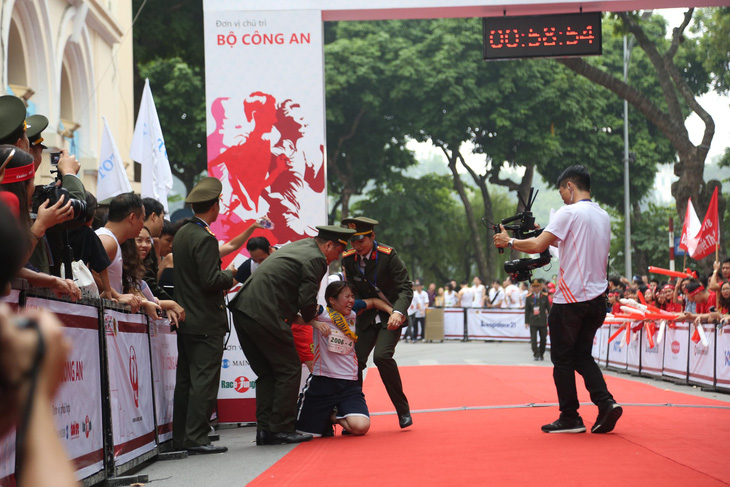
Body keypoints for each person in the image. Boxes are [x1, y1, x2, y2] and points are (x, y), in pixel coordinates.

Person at [494, 164, 622, 434]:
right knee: (582, 356)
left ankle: (570, 417)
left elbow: (538, 245)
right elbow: (569, 243)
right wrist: (545, 232)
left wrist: (510, 242)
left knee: (562, 360)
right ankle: (606, 403)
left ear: (571, 187)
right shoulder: (602, 215)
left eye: (562, 191)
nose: (562, 197)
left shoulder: (569, 212)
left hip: (571, 300)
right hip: (597, 299)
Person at [229, 224, 355, 445]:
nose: (337, 258)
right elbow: (307, 300)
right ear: (327, 245)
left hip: (244, 310)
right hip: (265, 313)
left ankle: (265, 430)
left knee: (268, 373)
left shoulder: (302, 246)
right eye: (337, 252)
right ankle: (281, 428)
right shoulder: (316, 259)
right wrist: (312, 319)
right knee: (289, 369)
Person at [172, 177, 237, 455]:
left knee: (186, 380)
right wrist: (231, 275)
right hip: (206, 320)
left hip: (189, 318)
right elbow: (211, 280)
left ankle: (183, 436)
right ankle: (196, 436)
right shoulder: (204, 237)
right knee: (204, 381)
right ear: (215, 206)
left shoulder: (183, 234)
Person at [340, 216, 413, 429]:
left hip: (391, 317)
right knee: (355, 363)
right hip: (365, 317)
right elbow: (350, 290)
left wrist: (398, 312)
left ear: (373, 237)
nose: (356, 246)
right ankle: (354, 414)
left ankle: (403, 410)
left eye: (361, 241)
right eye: (353, 241)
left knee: (381, 357)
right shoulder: (348, 259)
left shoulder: (388, 256)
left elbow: (405, 288)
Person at [295, 281, 392, 438]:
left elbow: (374, 302)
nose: (351, 300)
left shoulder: (353, 311)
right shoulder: (321, 313)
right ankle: (320, 412)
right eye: (346, 296)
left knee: (361, 427)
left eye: (353, 296)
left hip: (349, 384)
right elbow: (291, 317)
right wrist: (315, 323)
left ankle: (332, 415)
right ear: (332, 300)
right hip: (323, 381)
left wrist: (392, 311)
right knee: (307, 434)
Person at [524, 280, 550, 361]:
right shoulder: (529, 297)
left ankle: (541, 353)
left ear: (541, 287)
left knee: (543, 339)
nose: (536, 288)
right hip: (533, 321)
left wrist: (551, 320)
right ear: (532, 288)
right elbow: (527, 311)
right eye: (534, 286)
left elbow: (549, 309)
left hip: (542, 321)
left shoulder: (545, 296)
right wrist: (526, 322)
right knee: (533, 339)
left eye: (537, 286)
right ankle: (536, 353)